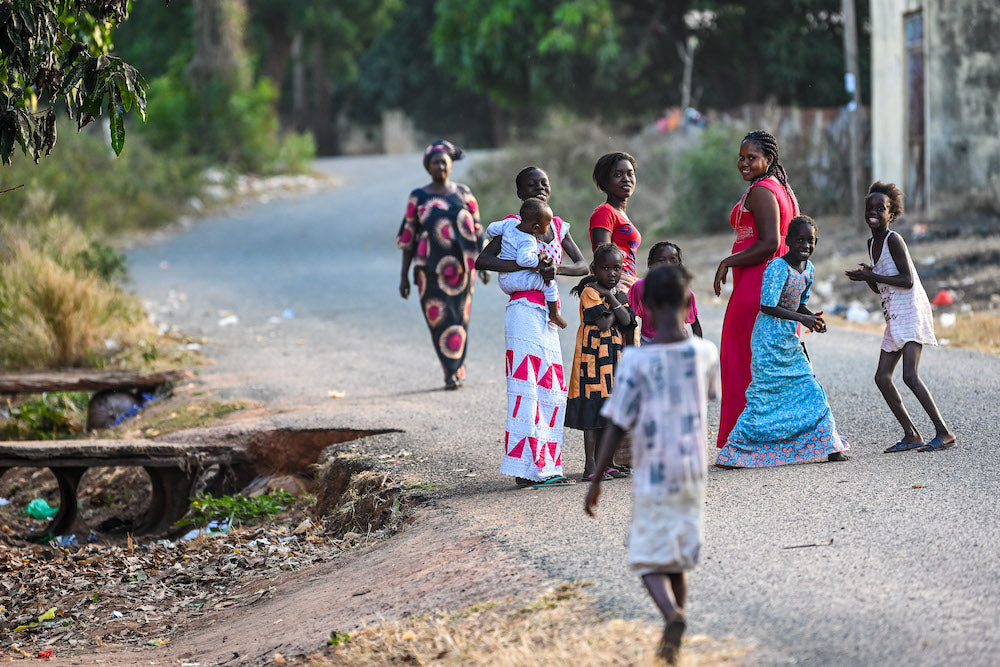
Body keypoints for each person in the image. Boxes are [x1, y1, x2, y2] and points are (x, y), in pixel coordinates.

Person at [584, 263, 720, 666]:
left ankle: (671, 615)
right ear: (686, 303)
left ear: (647, 306)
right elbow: (712, 394)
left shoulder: (636, 363)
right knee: (677, 553)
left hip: (653, 472)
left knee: (645, 555)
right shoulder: (704, 352)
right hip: (694, 470)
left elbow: (617, 423)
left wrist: (597, 479)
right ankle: (675, 632)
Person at [476, 166, 589, 487]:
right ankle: (525, 470)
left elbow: (582, 266)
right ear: (520, 193)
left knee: (550, 390)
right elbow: (482, 262)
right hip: (522, 312)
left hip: (547, 316)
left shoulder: (556, 225)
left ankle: (548, 466)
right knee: (527, 389)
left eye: (544, 184)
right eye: (531, 185)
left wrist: (553, 268)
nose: (539, 188)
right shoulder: (512, 227)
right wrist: (528, 267)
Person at [716, 216, 850, 467]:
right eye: (799, 240)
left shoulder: (808, 269)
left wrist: (813, 319)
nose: (805, 245)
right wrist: (803, 319)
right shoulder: (777, 267)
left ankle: (831, 446)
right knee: (764, 395)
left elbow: (800, 303)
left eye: (810, 241)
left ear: (816, 243)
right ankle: (734, 453)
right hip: (767, 339)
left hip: (789, 338)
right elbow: (768, 306)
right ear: (787, 241)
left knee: (810, 388)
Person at [845, 182, 956, 453]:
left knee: (910, 376)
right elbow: (880, 286)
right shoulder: (872, 243)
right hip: (894, 316)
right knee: (882, 377)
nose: (873, 212)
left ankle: (944, 432)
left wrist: (873, 275)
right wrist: (867, 278)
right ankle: (911, 434)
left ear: (890, 214)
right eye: (869, 208)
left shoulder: (894, 239)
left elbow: (906, 280)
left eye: (880, 208)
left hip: (911, 311)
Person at [713, 129, 799, 447]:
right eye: (741, 157)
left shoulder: (762, 191)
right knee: (768, 363)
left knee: (739, 361)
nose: (744, 163)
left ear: (769, 159)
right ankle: (770, 436)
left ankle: (743, 438)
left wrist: (728, 261)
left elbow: (770, 242)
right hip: (772, 286)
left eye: (752, 157)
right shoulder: (779, 189)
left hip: (757, 285)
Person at [397, 140, 489, 390]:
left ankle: (456, 371)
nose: (440, 166)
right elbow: (408, 238)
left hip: (462, 271)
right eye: (435, 162)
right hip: (429, 272)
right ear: (428, 167)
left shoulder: (464, 194)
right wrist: (404, 276)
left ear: (450, 165)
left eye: (443, 162)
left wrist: (484, 265)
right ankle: (449, 372)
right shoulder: (418, 197)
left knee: (460, 320)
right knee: (438, 323)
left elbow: (478, 231)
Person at [565, 243, 636, 481]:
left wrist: (608, 296)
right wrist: (613, 305)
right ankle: (590, 466)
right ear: (594, 269)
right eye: (606, 268)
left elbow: (627, 321)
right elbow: (605, 323)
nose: (612, 274)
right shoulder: (589, 292)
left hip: (612, 364)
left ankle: (606, 463)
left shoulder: (611, 293)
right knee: (592, 417)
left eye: (617, 268)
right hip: (591, 363)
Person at [485, 197, 567, 328]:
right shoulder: (528, 240)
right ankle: (554, 314)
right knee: (549, 284)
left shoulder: (509, 223)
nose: (548, 228)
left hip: (504, 278)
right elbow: (523, 260)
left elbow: (491, 229)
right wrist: (539, 258)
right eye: (546, 225)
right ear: (536, 227)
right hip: (516, 279)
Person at [629, 241, 703, 343]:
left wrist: (697, 349)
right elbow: (630, 320)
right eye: (661, 260)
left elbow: (695, 325)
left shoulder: (684, 290)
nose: (668, 265)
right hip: (648, 343)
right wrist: (629, 348)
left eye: (673, 260)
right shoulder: (639, 287)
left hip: (678, 341)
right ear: (650, 264)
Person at [589, 152, 642, 289]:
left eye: (630, 174)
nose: (626, 179)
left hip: (628, 282)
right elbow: (603, 259)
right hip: (617, 286)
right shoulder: (605, 212)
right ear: (605, 182)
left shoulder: (620, 213)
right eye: (618, 175)